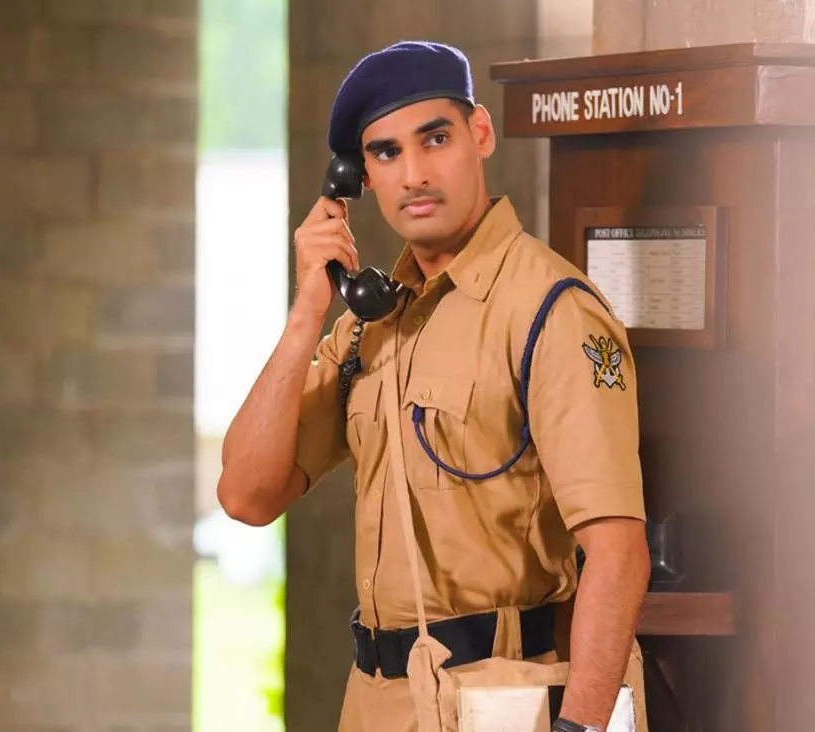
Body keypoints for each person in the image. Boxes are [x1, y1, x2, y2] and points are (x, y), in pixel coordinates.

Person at [218, 40, 650, 732]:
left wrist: (580, 728)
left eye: (435, 139)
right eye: (386, 153)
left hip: (502, 699)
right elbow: (246, 494)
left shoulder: (551, 311)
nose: (414, 174)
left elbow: (618, 550)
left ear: (480, 133)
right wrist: (306, 316)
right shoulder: (369, 327)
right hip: (377, 701)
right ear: (359, 178)